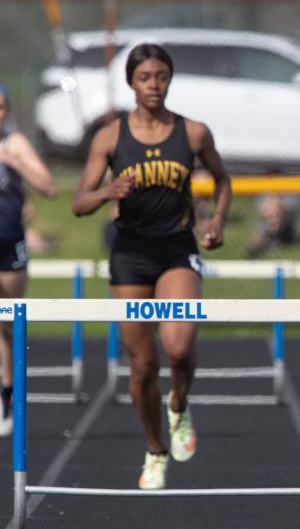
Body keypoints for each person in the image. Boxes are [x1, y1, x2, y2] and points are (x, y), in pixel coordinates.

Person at [72, 44, 232, 490]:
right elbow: (78, 204)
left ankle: (178, 404)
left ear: (170, 79)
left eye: (161, 76)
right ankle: (155, 448)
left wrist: (216, 221)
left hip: (177, 250)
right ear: (131, 82)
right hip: (130, 255)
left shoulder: (193, 133)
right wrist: (107, 192)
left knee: (178, 348)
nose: (154, 85)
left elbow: (223, 179)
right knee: (142, 364)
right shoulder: (110, 137)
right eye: (145, 78)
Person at [0, 83, 57, 436]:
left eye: (3, 107)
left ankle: (8, 397)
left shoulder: (14, 144)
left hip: (8, 244)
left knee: (6, 323)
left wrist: (15, 162)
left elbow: (49, 187)